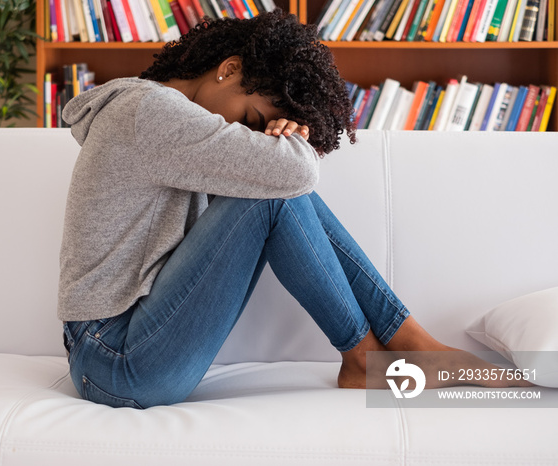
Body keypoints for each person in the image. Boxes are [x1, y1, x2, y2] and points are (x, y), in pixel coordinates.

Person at [58, 10, 527, 409]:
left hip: (126, 348)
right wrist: (287, 148)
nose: (241, 133)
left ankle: (403, 342)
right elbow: (295, 175)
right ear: (229, 68)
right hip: (114, 360)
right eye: (251, 121)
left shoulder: (164, 118)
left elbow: (284, 178)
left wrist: (273, 148)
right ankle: (378, 353)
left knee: (270, 189)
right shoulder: (151, 112)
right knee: (269, 197)